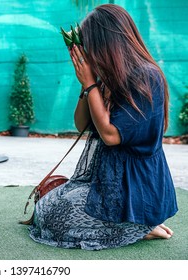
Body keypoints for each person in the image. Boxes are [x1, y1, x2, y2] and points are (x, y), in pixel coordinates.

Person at [28, 4, 178, 250]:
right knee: (46, 207)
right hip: (108, 182)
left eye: (91, 46)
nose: (89, 53)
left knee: (57, 221)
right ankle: (136, 226)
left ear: (108, 43)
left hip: (135, 190)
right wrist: (88, 85)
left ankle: (139, 226)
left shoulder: (147, 77)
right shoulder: (109, 77)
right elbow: (81, 124)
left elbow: (110, 135)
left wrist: (90, 83)